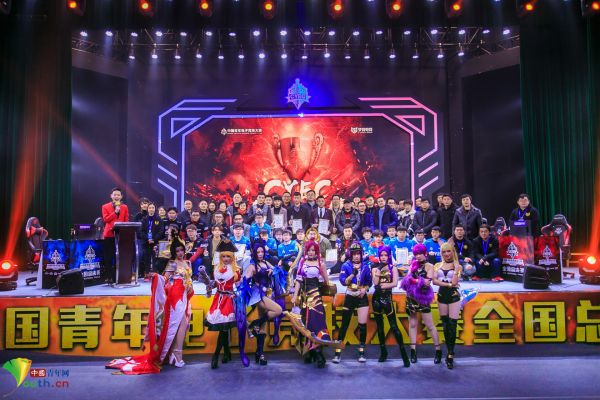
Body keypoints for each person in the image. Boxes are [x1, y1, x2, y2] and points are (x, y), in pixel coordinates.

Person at [106, 238, 193, 374]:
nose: (180, 253)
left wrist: (189, 288)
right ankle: (177, 355)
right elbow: (165, 279)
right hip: (176, 296)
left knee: (183, 325)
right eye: (177, 251)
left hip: (185, 295)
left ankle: (174, 354)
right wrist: (157, 277)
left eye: (181, 250)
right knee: (178, 325)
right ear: (174, 252)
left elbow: (189, 279)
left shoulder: (188, 263)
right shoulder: (172, 263)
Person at [290, 240, 333, 368]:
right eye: (309, 250)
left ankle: (319, 353)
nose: (311, 252)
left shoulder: (320, 263)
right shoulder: (302, 262)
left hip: (316, 298)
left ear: (317, 251)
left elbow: (327, 282)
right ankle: (309, 351)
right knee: (306, 324)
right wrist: (295, 296)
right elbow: (298, 280)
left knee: (317, 323)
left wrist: (332, 293)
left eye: (313, 250)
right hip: (304, 298)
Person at [400, 244, 442, 365]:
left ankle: (438, 351)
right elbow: (406, 280)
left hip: (423, 297)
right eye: (416, 254)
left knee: (430, 325)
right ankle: (413, 351)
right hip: (411, 297)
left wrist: (413, 280)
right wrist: (416, 280)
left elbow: (427, 283)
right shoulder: (412, 264)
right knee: (412, 324)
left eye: (420, 254)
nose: (418, 256)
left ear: (425, 254)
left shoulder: (430, 266)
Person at [206, 240, 243, 369]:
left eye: (228, 256)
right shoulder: (216, 268)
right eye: (224, 256)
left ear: (232, 257)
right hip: (218, 299)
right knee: (224, 328)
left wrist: (236, 294)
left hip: (229, 300)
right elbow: (215, 284)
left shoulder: (236, 270)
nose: (226, 259)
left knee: (223, 328)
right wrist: (209, 286)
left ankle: (216, 355)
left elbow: (239, 287)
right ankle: (227, 353)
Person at [371, 246, 411, 366]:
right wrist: (378, 270)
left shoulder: (392, 267)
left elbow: (394, 283)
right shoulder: (375, 268)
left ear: (389, 256)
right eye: (381, 255)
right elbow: (375, 283)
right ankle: (383, 352)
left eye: (385, 255)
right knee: (380, 327)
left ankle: (404, 355)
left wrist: (384, 286)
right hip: (376, 299)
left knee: (394, 327)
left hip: (387, 299)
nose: (383, 257)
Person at [332, 242, 372, 363]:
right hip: (350, 296)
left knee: (362, 325)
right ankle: (337, 353)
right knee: (344, 324)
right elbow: (343, 282)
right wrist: (352, 274)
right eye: (354, 254)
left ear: (361, 254)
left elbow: (369, 282)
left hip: (362, 297)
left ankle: (362, 352)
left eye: (358, 254)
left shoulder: (366, 266)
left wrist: (365, 289)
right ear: (351, 254)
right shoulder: (346, 265)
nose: (356, 256)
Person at [245, 243, 284, 364]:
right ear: (254, 253)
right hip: (258, 295)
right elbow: (245, 279)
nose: (260, 254)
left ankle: (260, 354)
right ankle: (254, 324)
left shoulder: (266, 263)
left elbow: (278, 270)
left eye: (262, 252)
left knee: (262, 328)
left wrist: (273, 270)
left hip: (267, 293)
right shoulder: (252, 266)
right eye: (258, 252)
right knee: (278, 310)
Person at [432, 243, 463, 370]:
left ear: (452, 252)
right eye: (444, 252)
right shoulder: (437, 265)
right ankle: (447, 351)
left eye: (448, 251)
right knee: (445, 325)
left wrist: (455, 270)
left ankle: (450, 354)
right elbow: (434, 281)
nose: (446, 254)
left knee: (452, 325)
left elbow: (455, 282)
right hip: (442, 295)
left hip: (454, 296)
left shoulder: (458, 266)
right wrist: (448, 285)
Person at [101, 187, 130, 283]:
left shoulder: (124, 207)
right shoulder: (105, 206)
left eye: (118, 195)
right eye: (115, 195)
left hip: (120, 235)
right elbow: (106, 219)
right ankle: (109, 277)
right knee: (109, 256)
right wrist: (115, 212)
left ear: (121, 196)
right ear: (111, 196)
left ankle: (119, 276)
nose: (116, 196)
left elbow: (126, 221)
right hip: (109, 235)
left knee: (119, 256)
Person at [141, 202, 163, 279]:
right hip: (146, 242)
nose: (151, 209)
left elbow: (161, 231)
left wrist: (154, 239)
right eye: (150, 208)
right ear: (147, 209)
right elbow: (141, 231)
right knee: (146, 258)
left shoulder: (158, 219)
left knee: (155, 258)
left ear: (155, 209)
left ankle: (154, 274)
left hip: (155, 242)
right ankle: (147, 273)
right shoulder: (144, 219)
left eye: (153, 208)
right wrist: (147, 239)